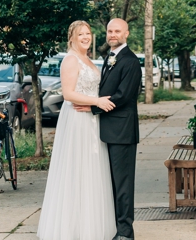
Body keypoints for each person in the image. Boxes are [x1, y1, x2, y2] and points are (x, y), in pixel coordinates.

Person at [37, 21, 118, 240]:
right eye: (80, 34)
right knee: (77, 169)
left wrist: (94, 104)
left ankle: (91, 225)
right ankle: (72, 229)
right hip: (76, 119)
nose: (85, 37)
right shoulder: (70, 60)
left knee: (92, 169)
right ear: (71, 38)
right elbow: (69, 94)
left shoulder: (88, 60)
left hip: (91, 119)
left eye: (88, 33)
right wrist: (97, 101)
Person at [77, 18, 142, 240]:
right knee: (111, 182)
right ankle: (113, 227)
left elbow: (123, 96)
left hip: (122, 131)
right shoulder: (111, 57)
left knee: (123, 184)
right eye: (110, 31)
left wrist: (93, 107)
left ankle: (125, 232)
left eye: (117, 31)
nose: (113, 34)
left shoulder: (131, 61)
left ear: (127, 34)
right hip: (108, 130)